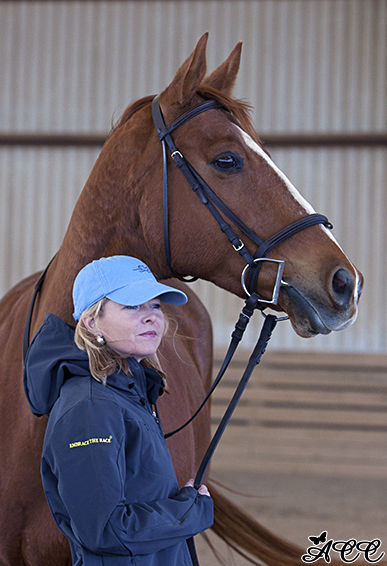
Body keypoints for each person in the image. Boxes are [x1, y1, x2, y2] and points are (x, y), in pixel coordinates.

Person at [23, 255, 213, 566]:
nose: (151, 316)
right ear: (92, 321)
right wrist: (189, 512)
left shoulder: (128, 394)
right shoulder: (89, 408)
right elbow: (106, 529)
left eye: (155, 306)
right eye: (133, 306)